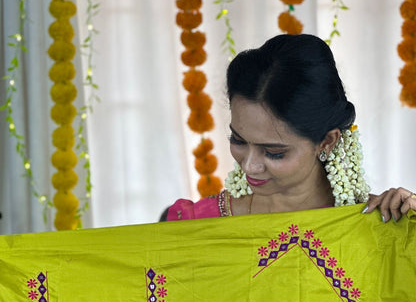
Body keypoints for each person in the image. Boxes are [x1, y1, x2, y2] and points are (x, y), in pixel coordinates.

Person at [164, 34, 416, 221]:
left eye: (274, 152)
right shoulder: (194, 224)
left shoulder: (378, 223)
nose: (250, 165)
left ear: (326, 142)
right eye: (238, 139)